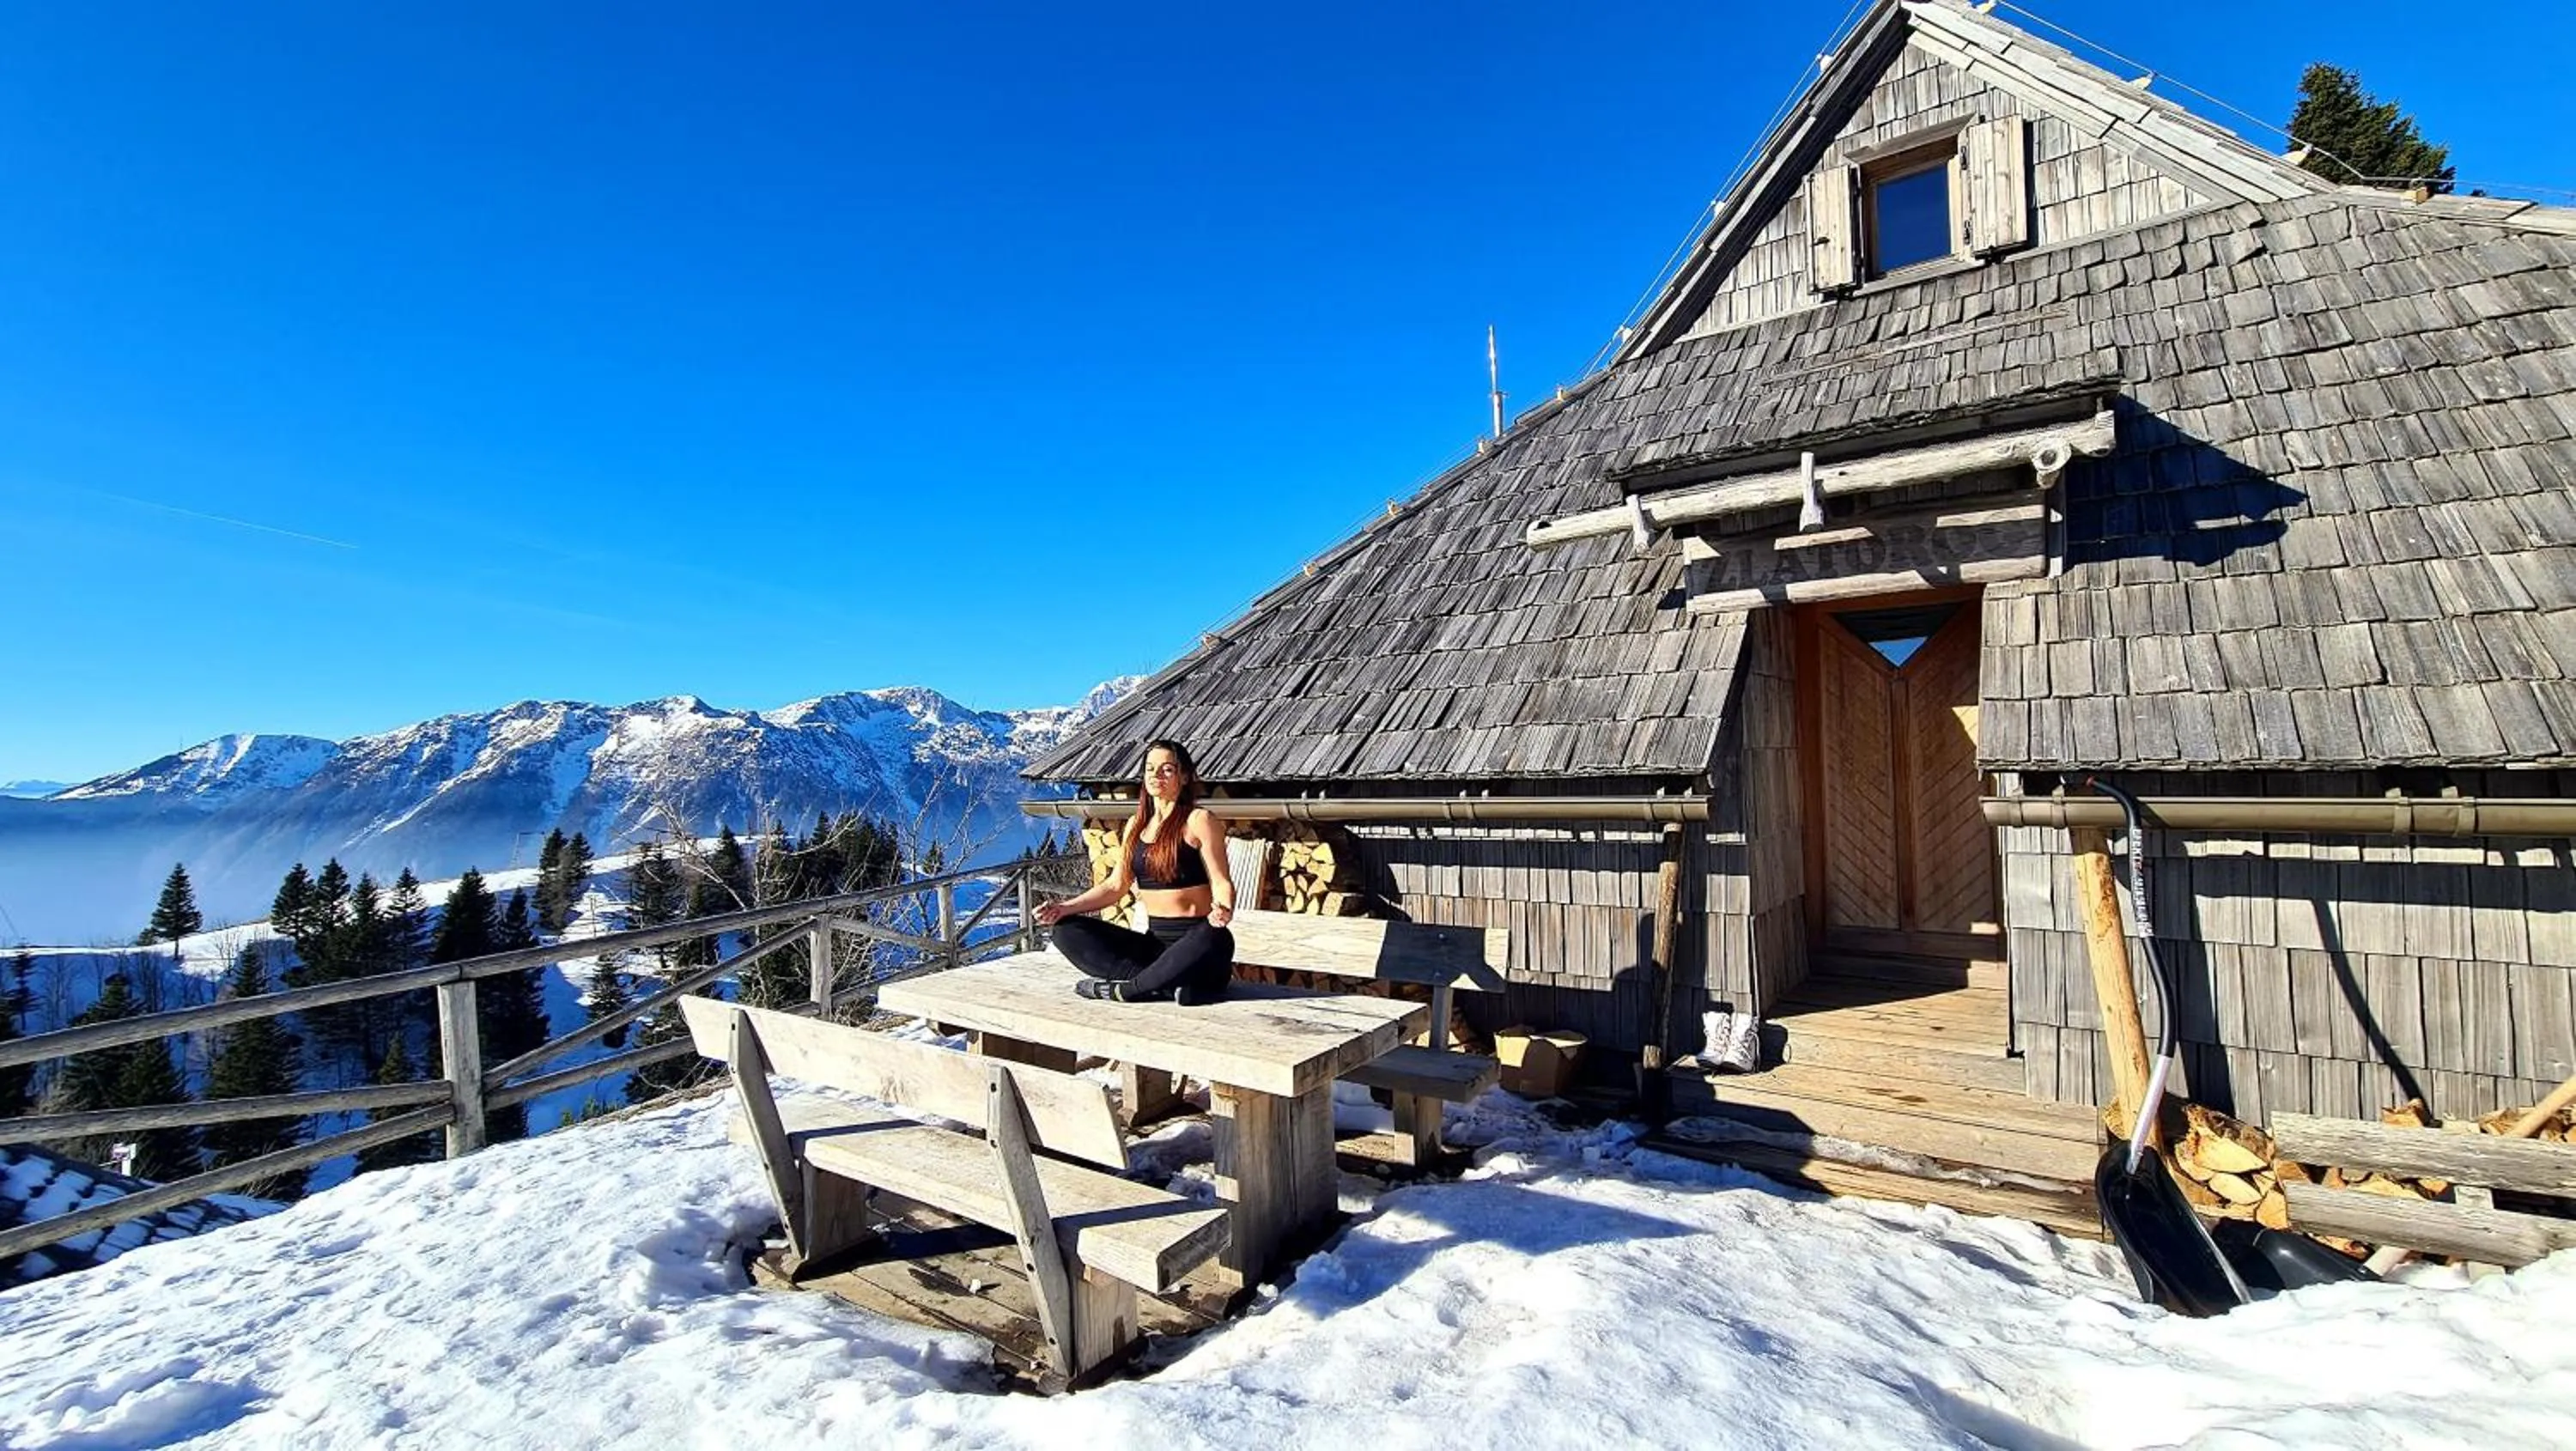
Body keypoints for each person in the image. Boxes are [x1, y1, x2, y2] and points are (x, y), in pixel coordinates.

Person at [1033, 739, 1236, 1005]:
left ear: (1184, 776)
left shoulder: (1198, 820)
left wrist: (1223, 907)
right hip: (1155, 949)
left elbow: (1222, 881)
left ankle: (1127, 990)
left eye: (1167, 770)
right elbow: (1115, 886)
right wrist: (1064, 908)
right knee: (1065, 930)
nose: (1156, 775)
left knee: (1214, 935)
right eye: (1150, 769)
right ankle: (1163, 985)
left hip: (1199, 947)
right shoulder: (1135, 826)